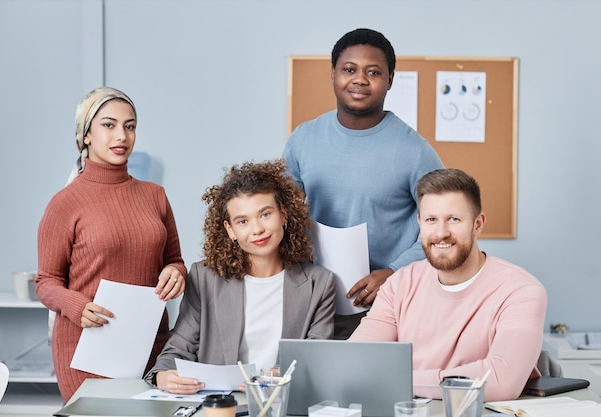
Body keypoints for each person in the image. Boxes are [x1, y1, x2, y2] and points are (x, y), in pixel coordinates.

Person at [282, 28, 444, 338]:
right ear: (333, 75)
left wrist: (394, 274)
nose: (360, 79)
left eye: (373, 72)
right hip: (314, 298)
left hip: (385, 302)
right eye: (349, 70)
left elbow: (443, 227)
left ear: (390, 80)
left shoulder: (415, 151)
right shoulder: (303, 138)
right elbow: (281, 212)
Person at [36, 87, 187, 401]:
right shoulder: (64, 203)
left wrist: (176, 272)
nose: (122, 135)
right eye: (109, 125)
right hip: (87, 347)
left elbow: (174, 260)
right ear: (87, 135)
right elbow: (46, 283)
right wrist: (75, 306)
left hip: (151, 345)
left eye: (129, 126)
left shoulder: (155, 195)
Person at [349, 168, 548, 401]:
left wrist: (397, 379)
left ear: (478, 224)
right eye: (431, 220)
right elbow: (356, 360)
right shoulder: (399, 284)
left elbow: (499, 382)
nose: (441, 233)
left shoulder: (521, 291)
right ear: (420, 224)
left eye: (454, 219)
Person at [144, 160, 336, 394]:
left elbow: (315, 360)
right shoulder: (205, 279)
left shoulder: (319, 284)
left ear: (283, 215)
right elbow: (177, 348)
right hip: (219, 406)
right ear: (230, 230)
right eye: (243, 221)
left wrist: (281, 373)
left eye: (265, 214)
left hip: (280, 404)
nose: (257, 230)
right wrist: (163, 376)